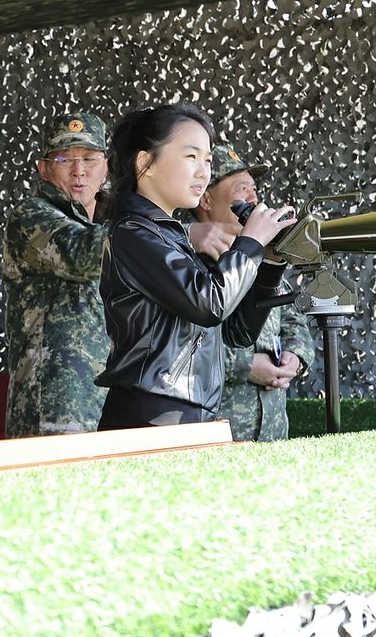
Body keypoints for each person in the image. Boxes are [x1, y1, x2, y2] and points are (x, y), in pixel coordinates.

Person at [95, 104, 297, 430]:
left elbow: (238, 332)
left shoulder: (167, 234)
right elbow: (209, 303)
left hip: (189, 414)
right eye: (191, 157)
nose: (203, 171)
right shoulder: (134, 231)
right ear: (145, 162)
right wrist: (250, 244)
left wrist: (270, 264)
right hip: (152, 417)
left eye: (207, 160)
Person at [194, 145, 315, 440]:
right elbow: (180, 344)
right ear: (205, 198)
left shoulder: (259, 257)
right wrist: (244, 366)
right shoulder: (186, 260)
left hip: (272, 433)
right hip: (217, 435)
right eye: (242, 188)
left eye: (254, 188)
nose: (253, 198)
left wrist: (295, 358)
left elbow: (291, 317)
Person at [2, 111, 112, 436]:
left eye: (90, 159)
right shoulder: (31, 216)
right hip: (55, 406)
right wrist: (177, 234)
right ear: (44, 168)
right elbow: (82, 253)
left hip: (116, 398)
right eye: (65, 159)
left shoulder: (121, 218)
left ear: (106, 166)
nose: (79, 171)